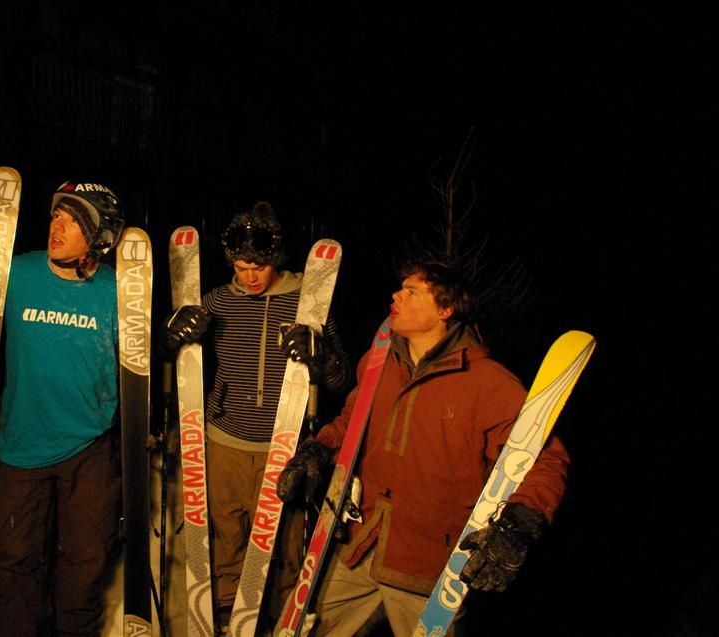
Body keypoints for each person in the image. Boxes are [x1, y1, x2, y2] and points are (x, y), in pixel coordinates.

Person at [277, 260, 569, 637]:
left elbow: (545, 457)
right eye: (401, 288)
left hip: (430, 567)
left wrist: (521, 522)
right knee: (302, 628)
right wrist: (318, 449)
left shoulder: (488, 383)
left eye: (412, 292)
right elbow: (351, 420)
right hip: (358, 548)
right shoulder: (379, 362)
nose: (396, 295)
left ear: (445, 310)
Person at [163, 201, 352, 634]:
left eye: (259, 267)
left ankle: (274, 620)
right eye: (242, 265)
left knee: (281, 542)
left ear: (276, 260)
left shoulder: (308, 304)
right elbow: (178, 357)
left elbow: (343, 375)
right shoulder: (217, 301)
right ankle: (227, 616)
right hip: (224, 437)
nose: (249, 276)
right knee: (226, 532)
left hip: (281, 444)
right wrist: (168, 339)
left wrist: (321, 359)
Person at [0, 181, 126, 636]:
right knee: (13, 566)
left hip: (90, 447)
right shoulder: (15, 273)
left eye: (72, 219)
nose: (55, 226)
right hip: (23, 445)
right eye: (55, 216)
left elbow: (140, 361)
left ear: (98, 235)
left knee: (83, 568)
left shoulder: (119, 291)